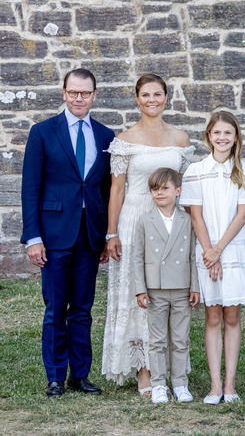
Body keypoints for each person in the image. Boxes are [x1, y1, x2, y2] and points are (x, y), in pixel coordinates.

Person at [21, 68, 114, 397]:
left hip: (89, 236)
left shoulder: (105, 136)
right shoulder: (43, 132)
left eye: (85, 93)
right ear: (64, 92)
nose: (79, 98)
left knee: (84, 308)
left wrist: (106, 235)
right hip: (54, 236)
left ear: (93, 95)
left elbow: (105, 190)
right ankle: (56, 376)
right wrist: (33, 238)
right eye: (73, 92)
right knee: (55, 307)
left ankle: (81, 374)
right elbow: (30, 188)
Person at [102, 74, 194, 393]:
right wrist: (111, 233)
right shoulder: (125, 139)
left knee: (166, 291)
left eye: (158, 94)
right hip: (134, 218)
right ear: (137, 99)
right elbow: (116, 190)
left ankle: (168, 367)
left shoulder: (180, 139)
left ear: (167, 97)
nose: (152, 99)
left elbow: (184, 189)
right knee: (138, 294)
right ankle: (145, 371)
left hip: (169, 221)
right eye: (145, 94)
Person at [180, 111, 245, 404]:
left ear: (236, 138)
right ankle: (215, 385)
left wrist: (219, 250)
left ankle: (230, 384)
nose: (222, 138)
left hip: (233, 249)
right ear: (208, 137)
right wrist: (209, 251)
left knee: (232, 314)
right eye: (217, 133)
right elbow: (196, 215)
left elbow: (243, 216)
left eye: (228, 133)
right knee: (212, 315)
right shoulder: (195, 170)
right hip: (206, 251)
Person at [132, 168, 200, 404]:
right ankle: (159, 384)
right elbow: (137, 257)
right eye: (155, 189)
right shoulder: (144, 220)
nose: (160, 193)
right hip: (155, 290)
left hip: (182, 288)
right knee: (158, 339)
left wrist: (195, 286)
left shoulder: (188, 220)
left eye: (165, 188)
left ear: (178, 191)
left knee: (181, 339)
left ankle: (180, 383)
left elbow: (193, 255)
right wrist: (140, 289)